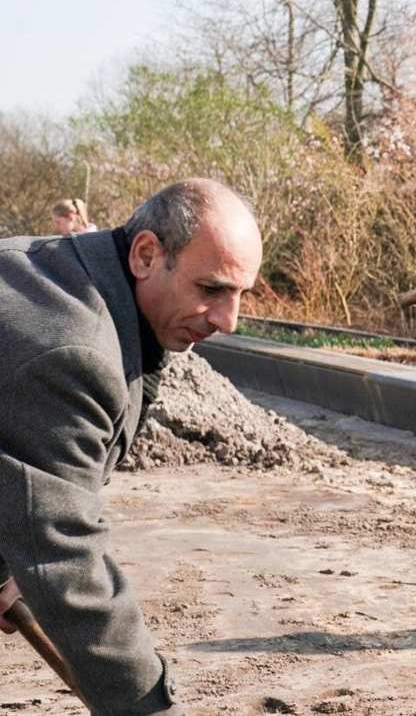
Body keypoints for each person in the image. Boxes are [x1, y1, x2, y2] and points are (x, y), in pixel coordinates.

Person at [0, 179, 262, 712]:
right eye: (211, 289)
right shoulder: (72, 349)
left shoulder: (52, 271)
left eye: (240, 294)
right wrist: (147, 706)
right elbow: (66, 555)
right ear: (145, 254)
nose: (227, 320)